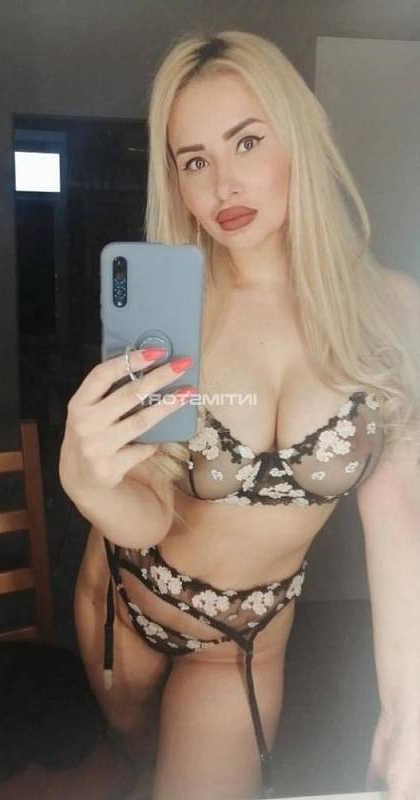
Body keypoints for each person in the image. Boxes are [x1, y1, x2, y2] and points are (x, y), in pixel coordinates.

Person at [59, 30, 420, 800]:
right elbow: (149, 511)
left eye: (247, 142)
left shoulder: (396, 315)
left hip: (241, 645)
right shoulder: (172, 312)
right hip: (127, 603)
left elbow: (404, 525)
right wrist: (87, 483)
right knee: (128, 768)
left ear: (298, 136)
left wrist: (409, 705)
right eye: (194, 161)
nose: (224, 184)